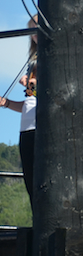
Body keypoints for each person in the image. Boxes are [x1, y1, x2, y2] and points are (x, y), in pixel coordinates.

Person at [0, 15, 38, 208]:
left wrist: (35, 84)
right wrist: (6, 103)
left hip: (41, 128)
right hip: (26, 128)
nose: (35, 35)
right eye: (32, 31)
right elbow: (29, 103)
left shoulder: (51, 60)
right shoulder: (32, 62)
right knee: (30, 183)